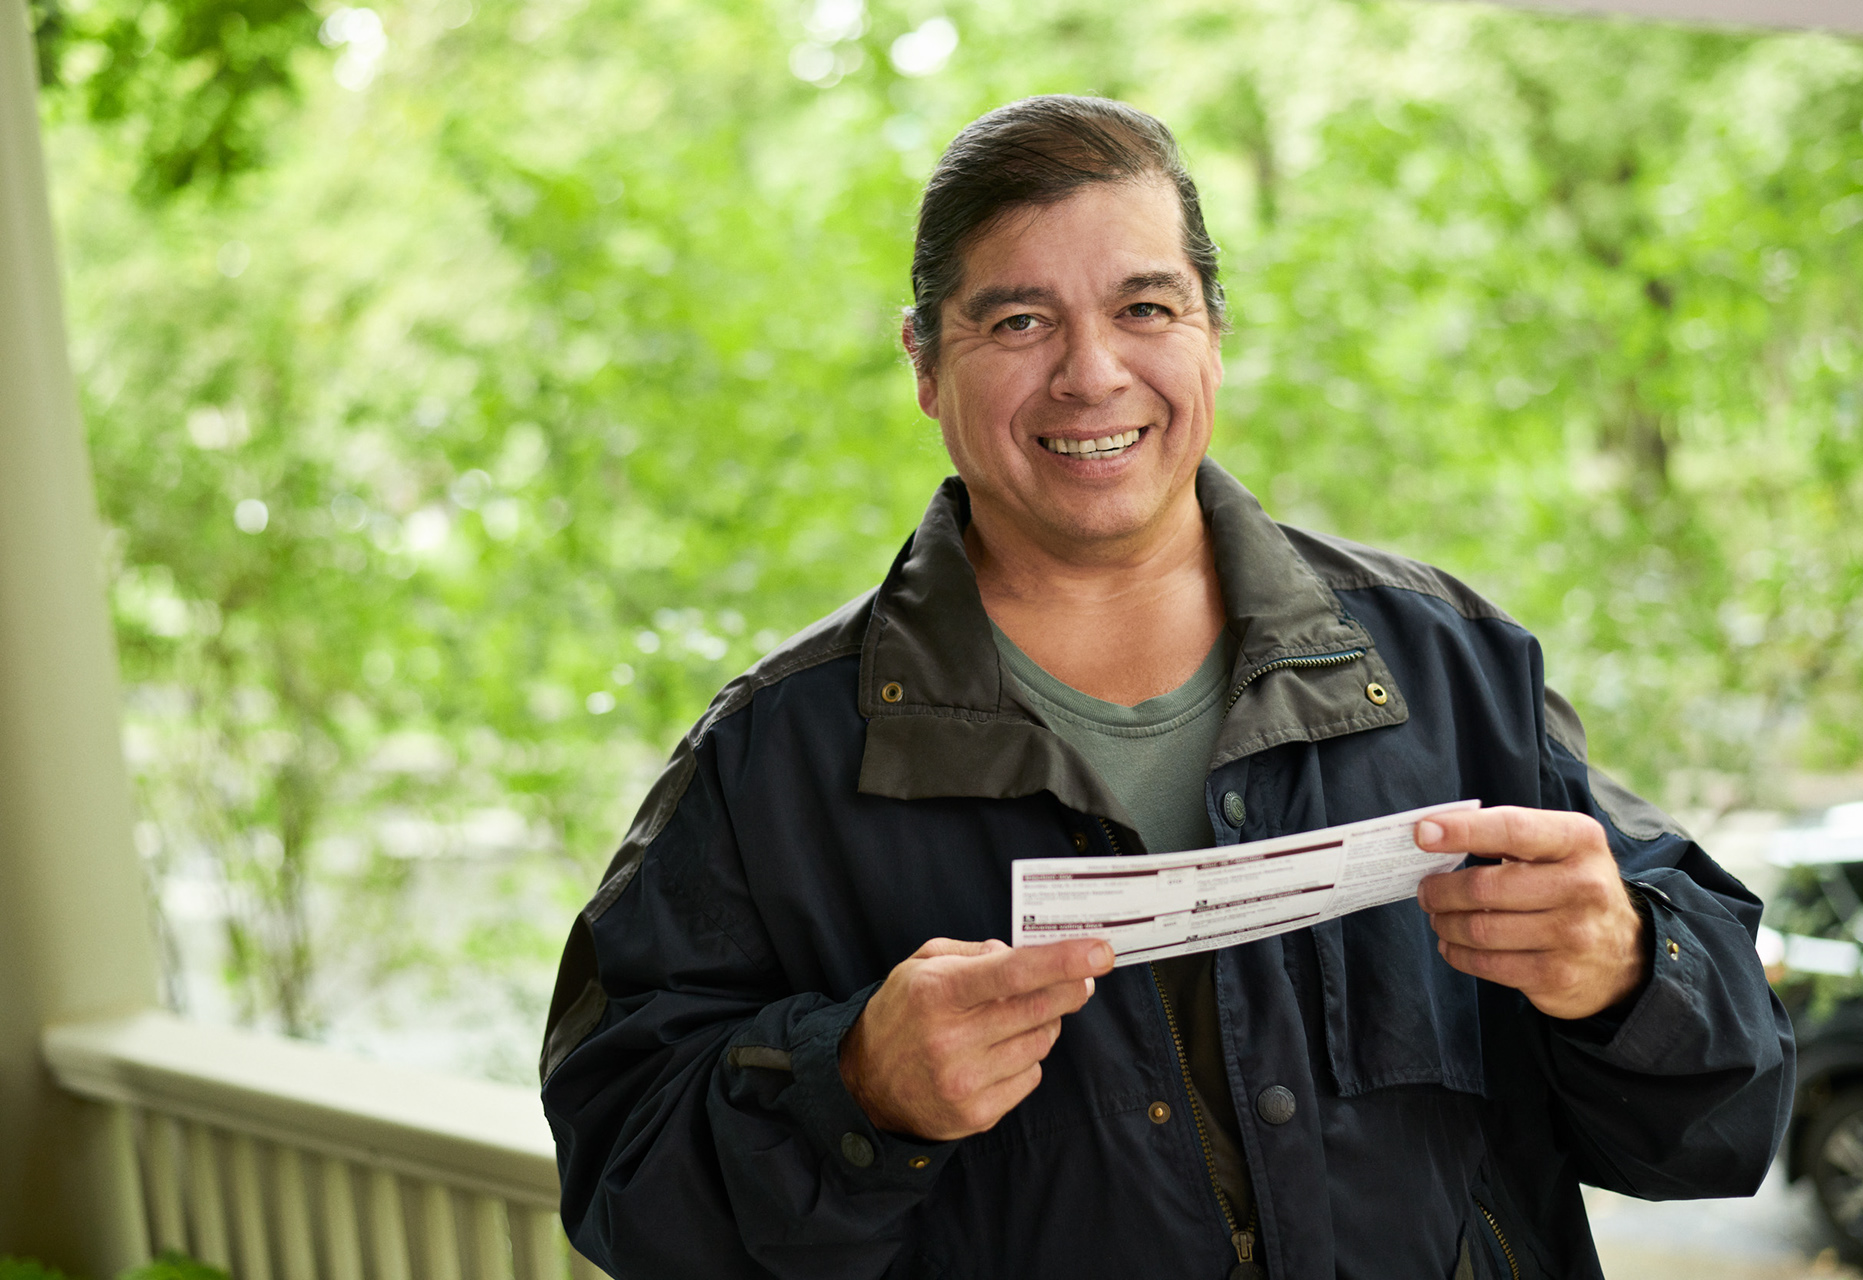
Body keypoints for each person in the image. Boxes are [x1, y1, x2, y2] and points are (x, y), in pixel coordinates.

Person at [540, 95, 1791, 1280]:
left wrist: (1631, 970)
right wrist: (853, 1086)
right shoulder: (775, 759)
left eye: (1146, 306)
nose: (1092, 373)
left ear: (1211, 332)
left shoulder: (1443, 662)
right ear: (925, 364)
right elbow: (621, 1183)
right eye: (1019, 321)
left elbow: (1730, 1117)